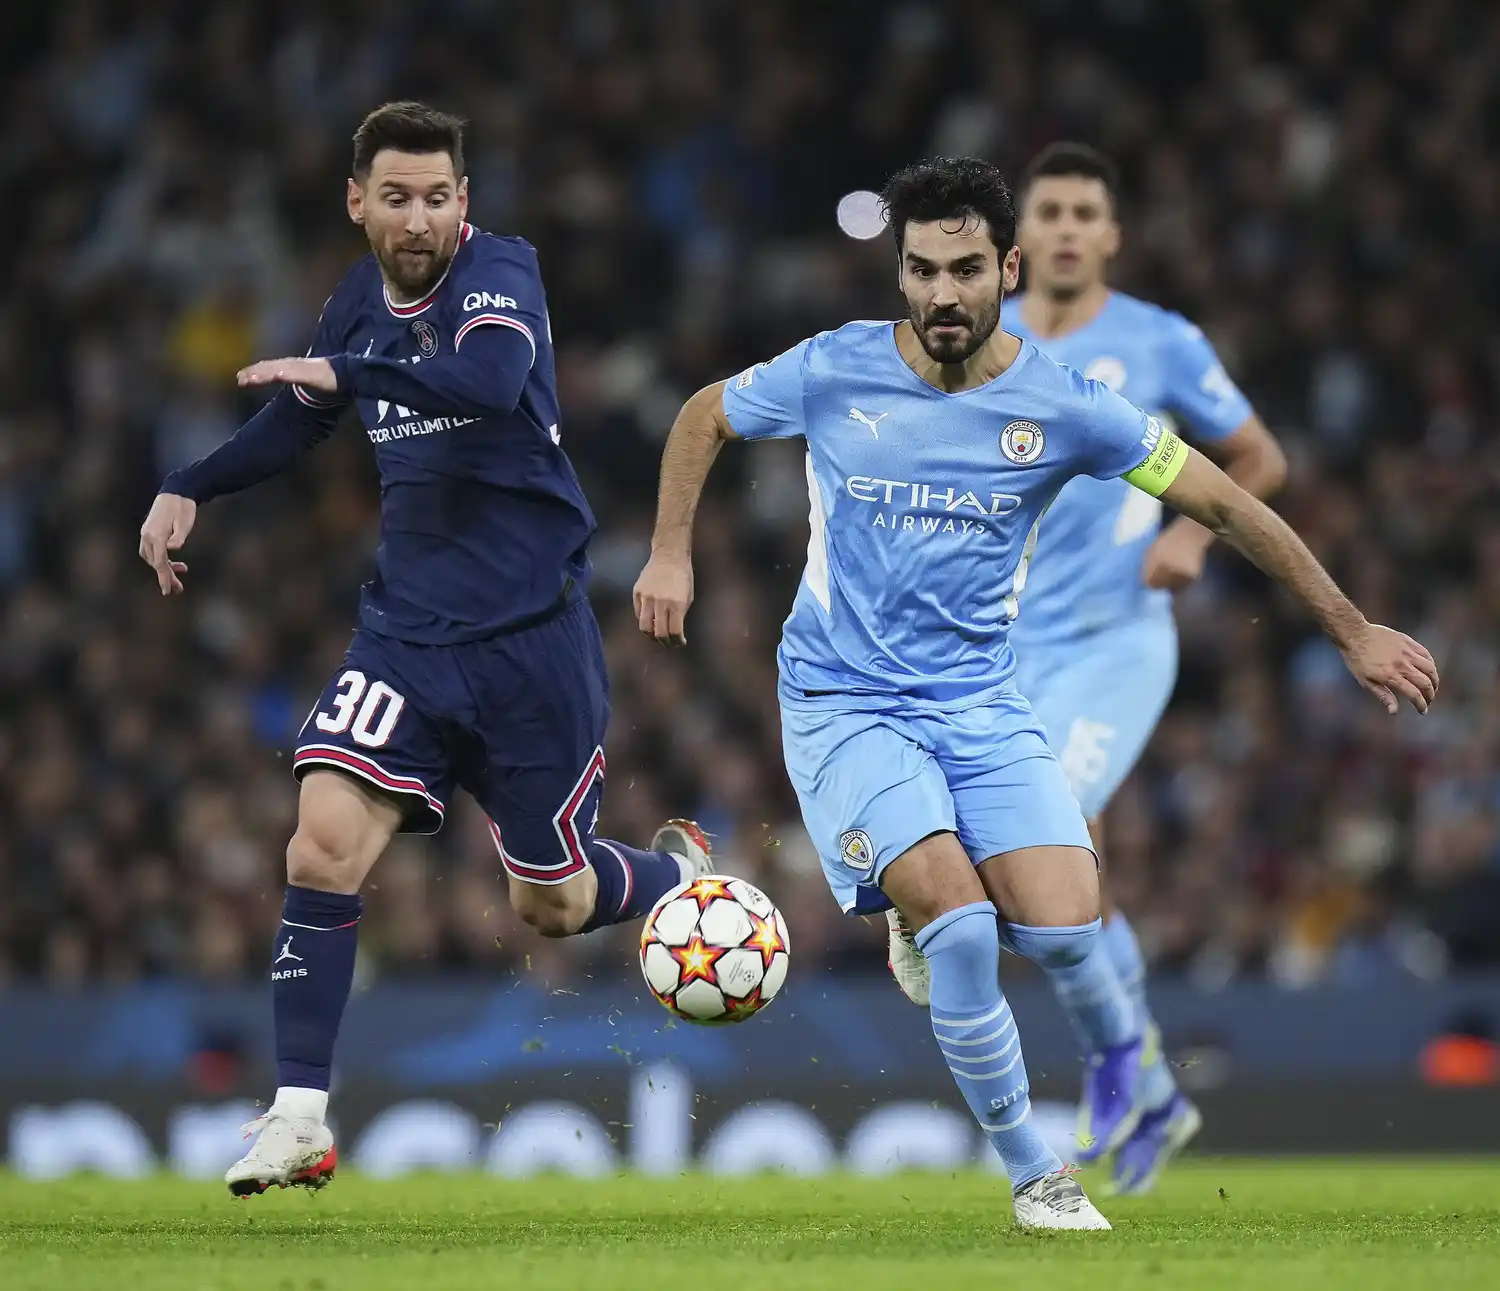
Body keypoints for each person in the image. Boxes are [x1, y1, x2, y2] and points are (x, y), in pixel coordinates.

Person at [632, 156, 1438, 1230]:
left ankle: (927, 920)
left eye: (965, 269)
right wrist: (669, 554)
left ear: (1006, 267)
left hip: (981, 702)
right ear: (900, 271)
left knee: (1065, 932)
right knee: (965, 927)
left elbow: (1229, 498)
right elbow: (702, 416)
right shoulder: (835, 368)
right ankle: (1034, 1174)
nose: (941, 296)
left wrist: (1349, 627)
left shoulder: (1066, 406)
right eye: (920, 270)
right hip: (844, 701)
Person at [137, 101, 711, 1198]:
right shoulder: (357, 298)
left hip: (531, 645)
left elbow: (488, 381)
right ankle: (300, 1112)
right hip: (404, 637)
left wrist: (349, 377)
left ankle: (675, 870)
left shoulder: (501, 275)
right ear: (358, 201)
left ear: (465, 202)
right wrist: (188, 483)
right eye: (395, 197)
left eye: (438, 196)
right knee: (320, 846)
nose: (419, 219)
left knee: (552, 904)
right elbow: (300, 417)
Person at [886, 142, 1287, 1194]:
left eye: (1084, 213)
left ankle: (1129, 1065)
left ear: (1111, 235)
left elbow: (1259, 456)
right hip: (999, 651)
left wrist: (1191, 540)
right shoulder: (981, 342)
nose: (1066, 228)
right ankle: (1145, 1075)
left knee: (1056, 824)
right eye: (1050, 212)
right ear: (1021, 246)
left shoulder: (1160, 342)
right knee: (1063, 874)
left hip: (1116, 640)